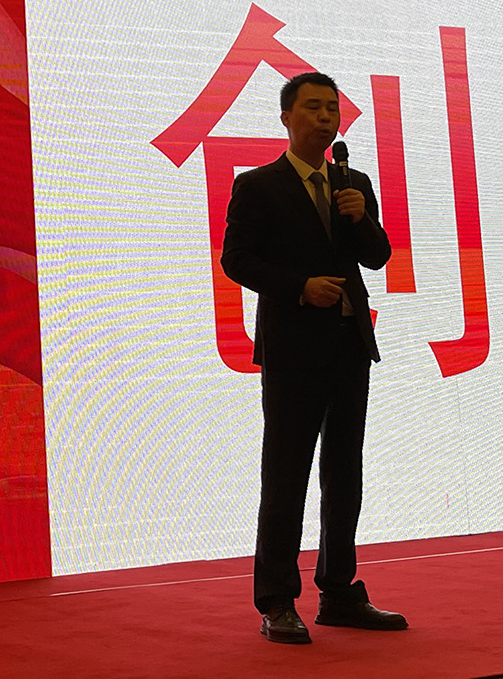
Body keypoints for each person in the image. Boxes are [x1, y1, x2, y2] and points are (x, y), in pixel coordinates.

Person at [220, 71, 407, 645]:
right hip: (293, 350)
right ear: (287, 117)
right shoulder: (258, 185)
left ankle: (339, 591)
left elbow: (378, 256)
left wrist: (360, 216)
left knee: (344, 473)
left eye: (332, 109)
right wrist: (299, 287)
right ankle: (277, 600)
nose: (326, 118)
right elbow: (236, 260)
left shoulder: (354, 182)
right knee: (287, 474)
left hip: (350, 345)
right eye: (313, 108)